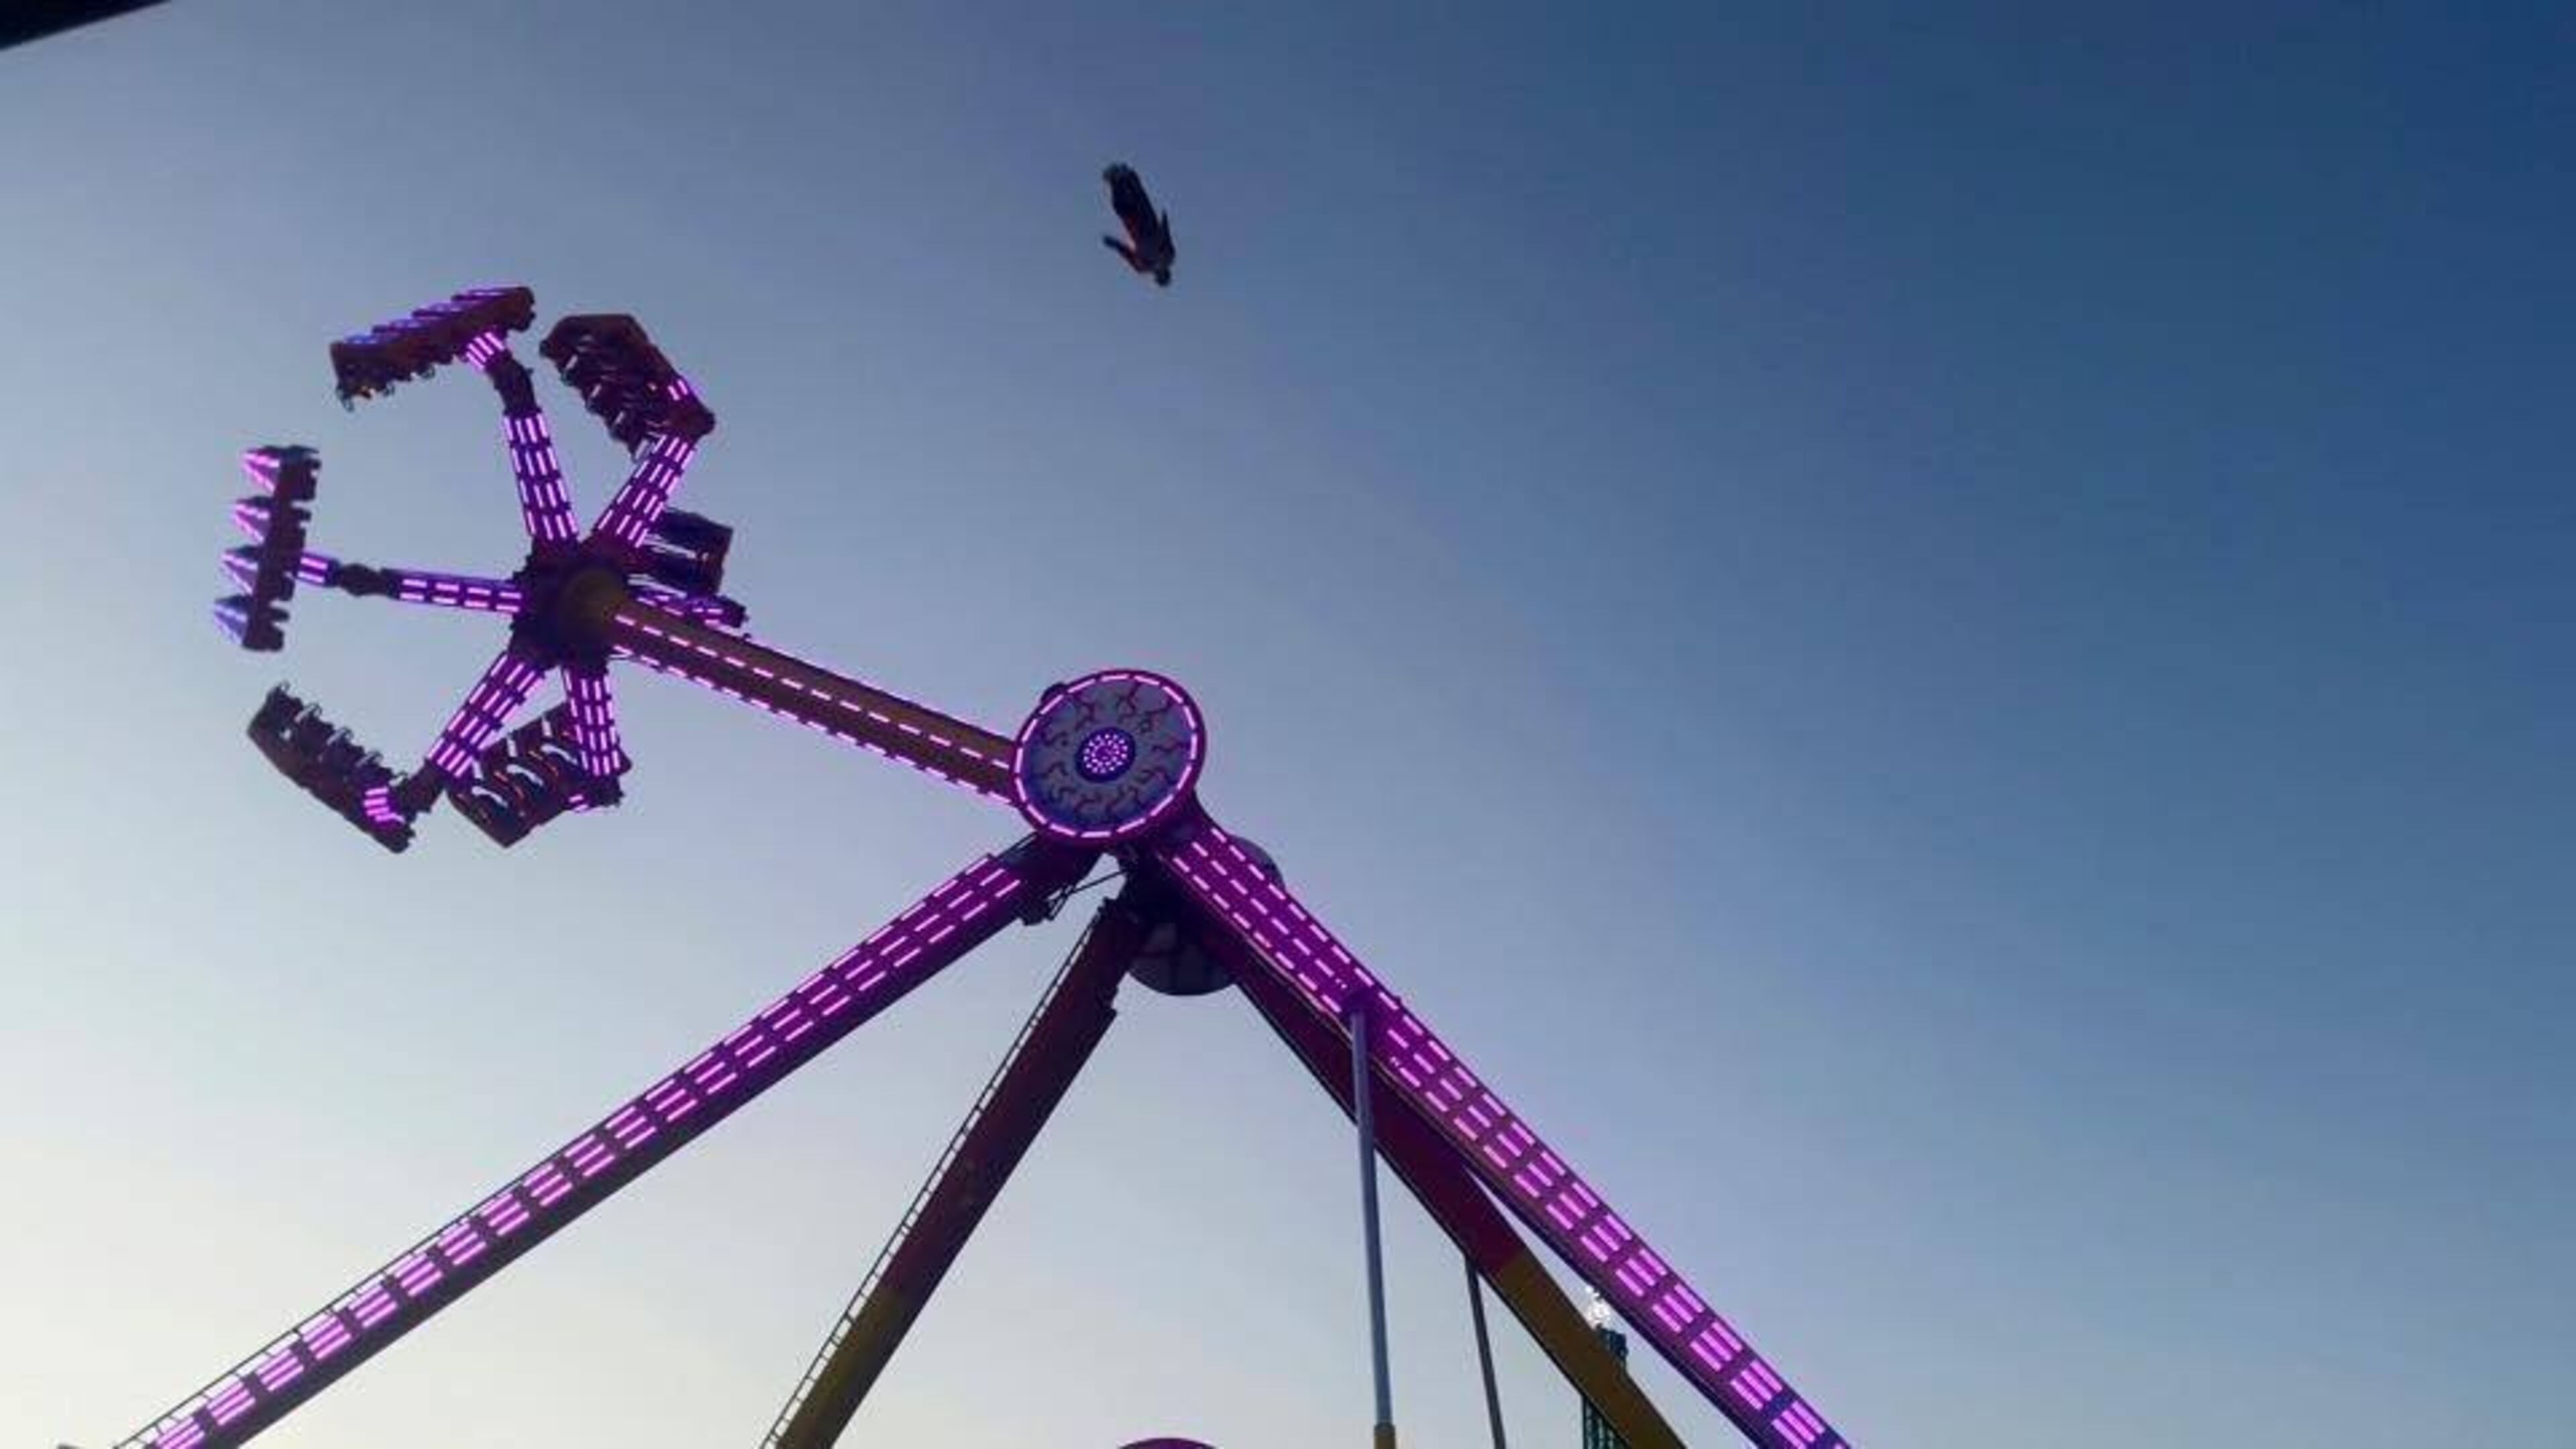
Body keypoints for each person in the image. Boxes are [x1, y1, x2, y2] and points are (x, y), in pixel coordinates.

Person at [1102, 163, 1176, 287]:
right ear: (1166, 272)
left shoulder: (1142, 268)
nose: (1159, 272)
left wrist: (1113, 243)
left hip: (1135, 229)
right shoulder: (1168, 258)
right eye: (1162, 274)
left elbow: (1126, 252)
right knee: (1138, 199)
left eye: (1159, 276)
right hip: (1149, 225)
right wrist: (1164, 222)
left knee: (1121, 207)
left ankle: (1116, 180)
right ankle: (1127, 176)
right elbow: (1167, 238)